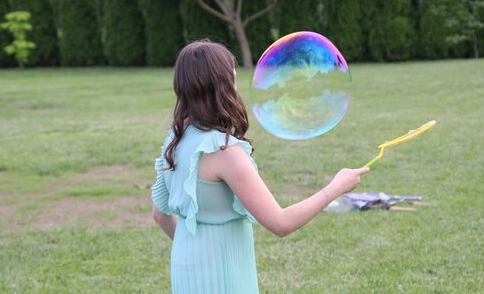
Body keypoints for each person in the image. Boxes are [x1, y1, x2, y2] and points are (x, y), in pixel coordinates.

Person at [151, 40, 369, 294]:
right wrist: (336, 187)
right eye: (232, 80)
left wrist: (193, 252)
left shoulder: (176, 138)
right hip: (224, 273)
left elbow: (160, 214)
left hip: (187, 269)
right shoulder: (225, 153)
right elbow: (280, 223)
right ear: (222, 88)